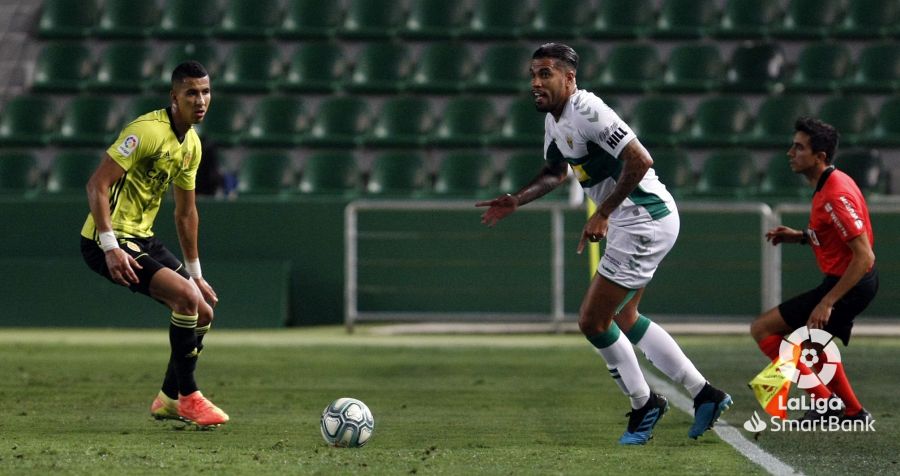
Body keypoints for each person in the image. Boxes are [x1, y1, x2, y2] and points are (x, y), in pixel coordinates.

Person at [476, 43, 731, 445]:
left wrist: (604, 212)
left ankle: (644, 404)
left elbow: (640, 160)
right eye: (532, 74)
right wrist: (516, 199)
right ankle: (706, 395)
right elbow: (555, 172)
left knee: (593, 321)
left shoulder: (588, 110)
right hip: (640, 221)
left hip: (643, 220)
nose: (535, 82)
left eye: (545, 73)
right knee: (626, 317)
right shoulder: (555, 120)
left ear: (569, 78)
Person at [80, 61, 228, 428]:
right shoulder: (145, 131)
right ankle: (189, 397)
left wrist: (196, 273)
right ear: (173, 97)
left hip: (143, 238)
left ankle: (167, 398)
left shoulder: (191, 144)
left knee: (203, 309)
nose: (200, 100)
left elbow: (186, 214)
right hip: (108, 239)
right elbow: (96, 185)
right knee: (185, 299)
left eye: (205, 91)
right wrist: (111, 245)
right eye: (191, 92)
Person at [750, 117, 877, 423]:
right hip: (850, 281)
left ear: (820, 157)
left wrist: (828, 302)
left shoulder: (835, 194)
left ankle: (827, 404)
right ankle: (851, 411)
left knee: (763, 329)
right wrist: (801, 236)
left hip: (850, 283)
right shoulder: (831, 184)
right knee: (810, 344)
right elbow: (838, 235)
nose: (790, 153)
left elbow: (864, 256)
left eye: (799, 147)